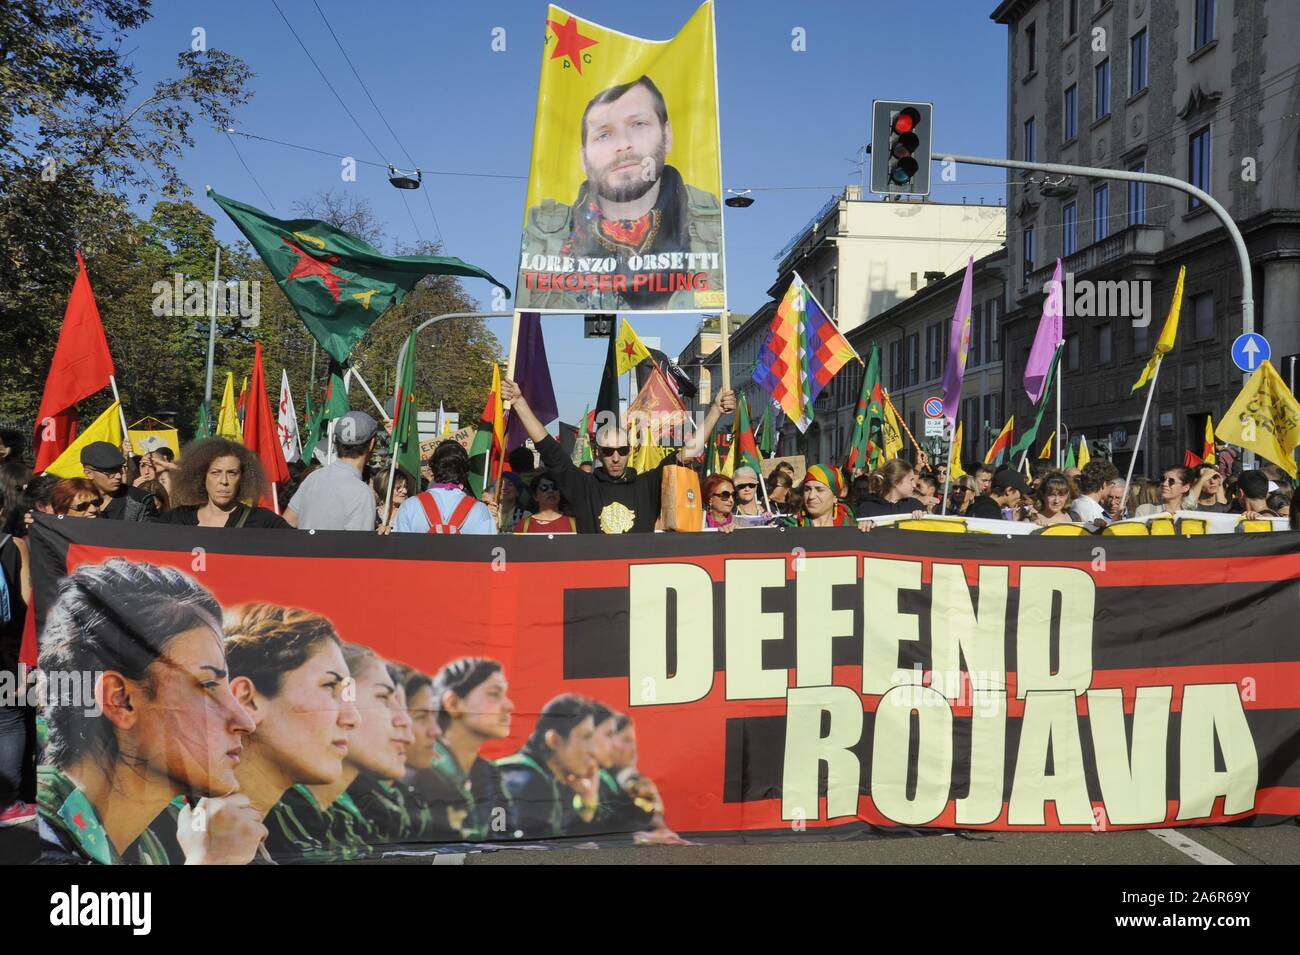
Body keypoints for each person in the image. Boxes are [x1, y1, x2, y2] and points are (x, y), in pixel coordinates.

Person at [37, 560, 262, 864]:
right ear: (120, 701)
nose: (245, 721)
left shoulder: (157, 841)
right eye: (209, 684)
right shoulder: (29, 841)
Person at [518, 75, 723, 312]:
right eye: (604, 134)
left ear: (667, 136)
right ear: (583, 158)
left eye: (638, 124)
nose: (623, 144)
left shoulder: (714, 221)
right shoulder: (542, 234)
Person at [502, 377, 736, 533]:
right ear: (597, 452)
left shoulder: (648, 484)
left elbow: (688, 453)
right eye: (608, 451)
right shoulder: (584, 486)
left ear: (630, 451)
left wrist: (715, 411)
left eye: (622, 450)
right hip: (596, 585)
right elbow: (549, 450)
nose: (616, 457)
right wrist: (519, 402)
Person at [422, 657, 514, 840]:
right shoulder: (419, 771)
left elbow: (503, 838)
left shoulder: (489, 775)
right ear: (453, 703)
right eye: (494, 694)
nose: (509, 706)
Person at [497, 694, 599, 840]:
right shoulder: (528, 784)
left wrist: (588, 798)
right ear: (554, 740)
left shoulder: (546, 779)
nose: (593, 751)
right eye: (586, 737)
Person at [160, 438, 289, 528]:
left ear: (243, 478)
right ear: (201, 477)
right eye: (216, 473)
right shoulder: (176, 519)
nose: (224, 481)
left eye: (232, 473)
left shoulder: (264, 521)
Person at [284, 411, 378, 531]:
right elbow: (358, 546)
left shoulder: (314, 477)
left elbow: (288, 522)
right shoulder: (362, 493)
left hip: (302, 549)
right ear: (371, 444)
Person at [0, 512, 33, 826]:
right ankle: (7, 805)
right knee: (8, 719)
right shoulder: (15, 546)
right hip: (5, 649)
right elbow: (26, 601)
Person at [392, 440, 495, 534]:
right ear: (466, 472)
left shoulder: (409, 506)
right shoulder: (480, 510)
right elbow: (487, 550)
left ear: (432, 470)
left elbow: (399, 550)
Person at [79, 441, 158, 521]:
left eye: (120, 469)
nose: (118, 476)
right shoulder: (73, 499)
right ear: (89, 473)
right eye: (110, 472)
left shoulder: (140, 500)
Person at [781, 464, 863, 528]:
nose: (811, 496)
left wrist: (868, 528)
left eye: (819, 490)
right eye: (807, 489)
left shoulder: (851, 526)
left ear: (835, 497)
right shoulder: (790, 526)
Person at [854, 460, 926, 519]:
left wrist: (923, 519)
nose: (914, 485)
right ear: (895, 482)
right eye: (911, 480)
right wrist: (865, 525)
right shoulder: (867, 508)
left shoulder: (915, 505)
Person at [1069, 460, 1120, 530]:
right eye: (1112, 483)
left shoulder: (1076, 502)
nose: (1112, 487)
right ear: (1104, 484)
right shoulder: (1093, 512)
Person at [968, 468, 1033, 521]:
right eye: (1020, 493)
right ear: (1009, 490)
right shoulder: (990, 510)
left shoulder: (979, 503)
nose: (1020, 498)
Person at [373, 468, 417, 532]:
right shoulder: (372, 514)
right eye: (398, 488)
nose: (405, 491)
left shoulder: (409, 514)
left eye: (405, 486)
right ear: (385, 487)